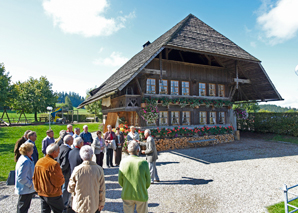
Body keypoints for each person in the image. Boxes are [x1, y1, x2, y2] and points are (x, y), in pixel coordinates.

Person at [68, 146, 105, 213]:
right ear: (92, 155)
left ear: (81, 156)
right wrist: (101, 202)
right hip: (94, 203)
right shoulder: (99, 169)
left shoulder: (77, 169)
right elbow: (102, 189)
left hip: (80, 203)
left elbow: (70, 188)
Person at [118, 140, 151, 213]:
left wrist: (126, 186)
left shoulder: (123, 162)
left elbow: (120, 180)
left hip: (127, 193)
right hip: (141, 193)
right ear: (138, 150)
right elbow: (148, 181)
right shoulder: (143, 162)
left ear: (128, 150)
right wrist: (142, 187)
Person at [33, 143, 65, 213]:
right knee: (61, 211)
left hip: (41, 192)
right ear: (54, 152)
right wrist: (63, 179)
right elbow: (58, 181)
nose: (59, 152)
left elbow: (35, 177)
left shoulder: (39, 161)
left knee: (45, 211)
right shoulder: (54, 164)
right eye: (58, 151)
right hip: (53, 193)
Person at [15, 142, 36, 213]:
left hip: (26, 189)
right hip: (25, 189)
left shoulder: (27, 158)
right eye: (32, 148)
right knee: (23, 208)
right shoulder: (25, 161)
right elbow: (21, 178)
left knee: (24, 207)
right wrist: (30, 184)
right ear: (28, 151)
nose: (33, 150)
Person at [57, 135, 73, 210]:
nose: (73, 141)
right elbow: (65, 164)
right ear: (69, 141)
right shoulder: (67, 150)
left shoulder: (61, 147)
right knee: (66, 188)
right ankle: (63, 204)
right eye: (72, 139)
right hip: (66, 172)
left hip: (61, 171)